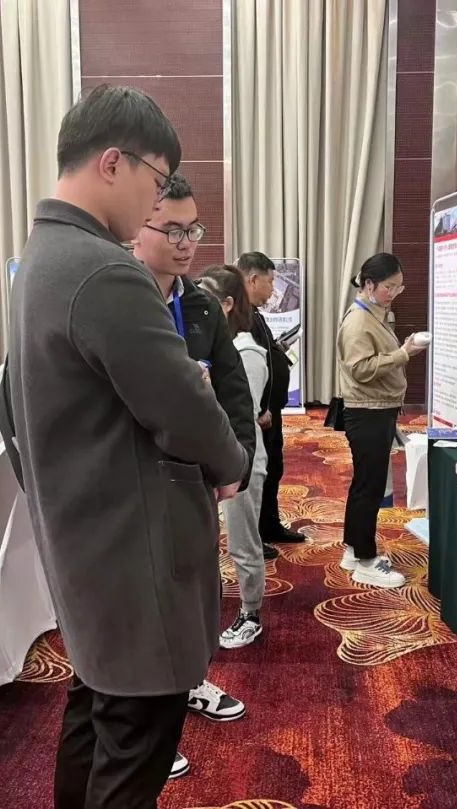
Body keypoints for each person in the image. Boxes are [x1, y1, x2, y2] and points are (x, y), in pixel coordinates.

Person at [7, 85, 248, 809]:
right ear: (112, 163)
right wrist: (231, 461)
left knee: (96, 716)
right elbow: (184, 406)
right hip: (132, 556)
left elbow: (4, 407)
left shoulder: (40, 258)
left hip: (86, 544)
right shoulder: (104, 268)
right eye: (155, 179)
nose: (154, 203)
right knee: (136, 742)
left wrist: (56, 490)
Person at [130, 172, 254, 767]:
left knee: (194, 593)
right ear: (138, 228)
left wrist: (238, 462)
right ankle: (148, 729)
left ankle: (188, 685)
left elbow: (233, 389)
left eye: (193, 230)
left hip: (194, 480)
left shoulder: (200, 305)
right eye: (172, 230)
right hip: (135, 482)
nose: (185, 243)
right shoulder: (118, 299)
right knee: (144, 600)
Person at [336, 252, 425, 588]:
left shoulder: (373, 313)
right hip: (367, 411)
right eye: (390, 287)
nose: (394, 294)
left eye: (399, 287)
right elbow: (360, 369)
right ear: (369, 285)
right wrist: (403, 354)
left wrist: (401, 350)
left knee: (366, 484)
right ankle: (365, 560)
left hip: (376, 409)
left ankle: (353, 550)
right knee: (369, 487)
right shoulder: (358, 321)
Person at [199, 266, 269, 648]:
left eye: (206, 298)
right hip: (213, 455)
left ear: (226, 304)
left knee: (243, 540)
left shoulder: (246, 352)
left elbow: (245, 411)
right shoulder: (215, 347)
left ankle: (250, 613)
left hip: (243, 459)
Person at [237, 252, 306, 559]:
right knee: (256, 475)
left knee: (273, 468)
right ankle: (254, 536)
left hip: (270, 411)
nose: (273, 290)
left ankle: (269, 525)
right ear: (253, 279)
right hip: (258, 414)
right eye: (271, 281)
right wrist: (258, 409)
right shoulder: (239, 316)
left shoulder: (254, 314)